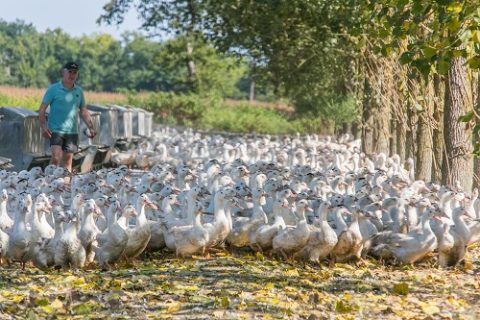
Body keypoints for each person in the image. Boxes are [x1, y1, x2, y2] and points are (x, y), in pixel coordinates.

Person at [38, 62, 97, 174]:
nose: (72, 75)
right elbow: (41, 110)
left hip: (72, 131)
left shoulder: (79, 91)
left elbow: (84, 111)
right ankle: (49, 183)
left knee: (68, 160)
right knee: (56, 157)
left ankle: (65, 187)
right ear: (63, 72)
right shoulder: (53, 89)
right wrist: (43, 127)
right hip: (55, 130)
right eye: (69, 72)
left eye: (75, 72)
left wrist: (91, 127)